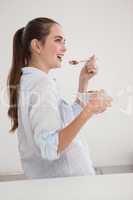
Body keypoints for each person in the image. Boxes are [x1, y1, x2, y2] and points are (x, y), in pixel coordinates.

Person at [7, 17, 112, 179]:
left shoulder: (34, 81)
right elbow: (50, 147)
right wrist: (89, 110)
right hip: (65, 187)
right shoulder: (41, 85)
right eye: (58, 40)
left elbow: (64, 121)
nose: (64, 48)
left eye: (64, 42)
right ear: (36, 46)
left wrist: (83, 81)